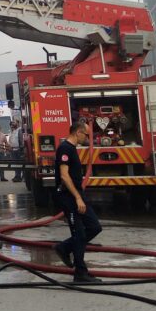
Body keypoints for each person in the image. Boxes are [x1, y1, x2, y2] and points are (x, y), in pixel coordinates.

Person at [53, 120, 103, 283]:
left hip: (76, 195)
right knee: (79, 234)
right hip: (69, 197)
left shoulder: (72, 148)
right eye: (86, 135)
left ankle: (64, 247)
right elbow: (64, 176)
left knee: (94, 227)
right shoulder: (65, 149)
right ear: (78, 132)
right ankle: (80, 273)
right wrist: (77, 197)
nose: (87, 139)